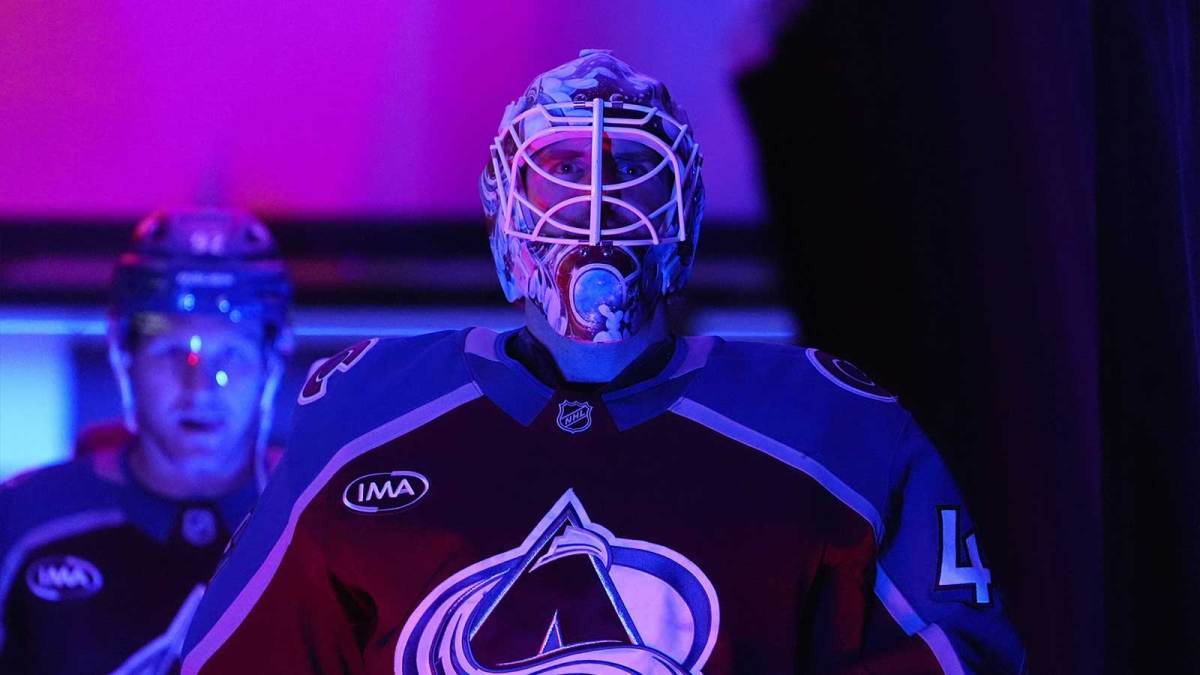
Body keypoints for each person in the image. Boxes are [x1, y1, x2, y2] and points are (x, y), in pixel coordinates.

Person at [181, 51, 1024, 674]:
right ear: (504, 214)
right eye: (563, 172)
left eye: (626, 170)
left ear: (682, 217)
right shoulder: (366, 417)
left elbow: (963, 654)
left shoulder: (832, 428)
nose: (596, 206)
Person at [0, 207, 293, 674]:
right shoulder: (23, 519)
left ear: (273, 360)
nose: (199, 388)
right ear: (123, 352)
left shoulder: (326, 518)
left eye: (231, 356)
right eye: (172, 351)